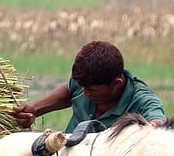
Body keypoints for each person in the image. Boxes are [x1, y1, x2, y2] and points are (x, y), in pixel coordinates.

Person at [12, 40, 165, 133]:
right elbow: (70, 92)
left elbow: (157, 121)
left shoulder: (142, 100)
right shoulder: (85, 83)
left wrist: (149, 129)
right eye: (82, 87)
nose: (84, 94)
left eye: (91, 90)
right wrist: (34, 110)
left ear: (116, 84)